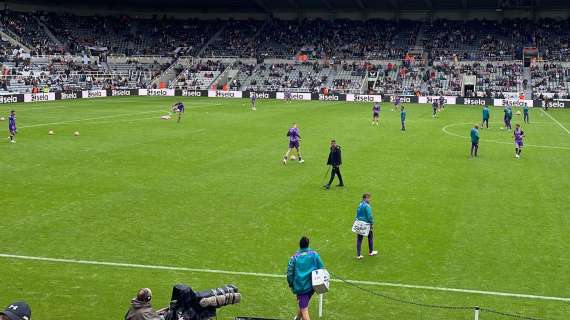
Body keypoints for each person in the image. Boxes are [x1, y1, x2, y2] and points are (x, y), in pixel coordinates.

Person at [287, 236, 325, 320]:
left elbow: (289, 273)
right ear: (308, 244)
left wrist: (291, 284)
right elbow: (322, 268)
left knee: (304, 309)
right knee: (304, 304)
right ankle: (297, 318)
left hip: (301, 288)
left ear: (299, 245)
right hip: (312, 287)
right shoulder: (314, 254)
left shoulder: (294, 258)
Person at [355, 193, 378, 259]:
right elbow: (369, 216)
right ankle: (371, 251)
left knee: (359, 239)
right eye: (368, 198)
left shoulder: (360, 204)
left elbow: (357, 213)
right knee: (370, 237)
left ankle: (358, 255)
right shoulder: (367, 206)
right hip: (366, 224)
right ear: (364, 198)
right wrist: (372, 223)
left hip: (359, 223)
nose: (369, 199)